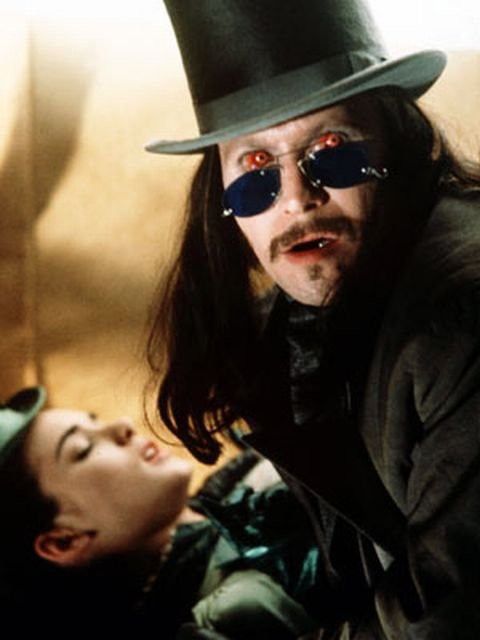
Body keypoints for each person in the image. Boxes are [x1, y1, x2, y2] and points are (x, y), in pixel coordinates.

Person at [145, 1, 480, 637]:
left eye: (332, 151)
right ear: (221, 200)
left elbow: (446, 621)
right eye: (255, 171)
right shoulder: (290, 331)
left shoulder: (459, 322)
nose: (297, 198)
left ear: (400, 146)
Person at [0, 386, 327, 639]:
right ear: (64, 541)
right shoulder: (233, 612)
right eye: (83, 450)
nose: (123, 426)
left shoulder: (232, 491)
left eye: (95, 421)